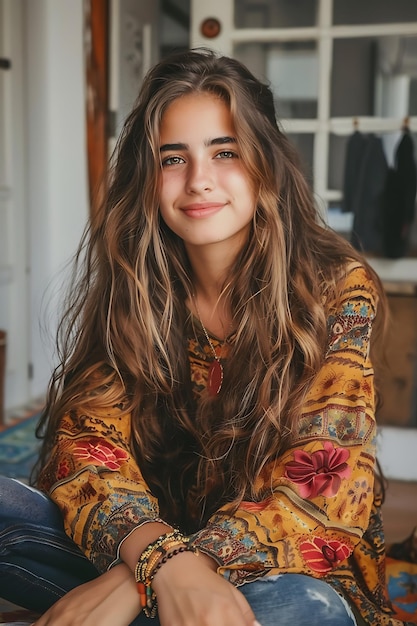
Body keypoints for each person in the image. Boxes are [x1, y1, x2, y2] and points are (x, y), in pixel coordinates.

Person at [0, 48, 410, 626]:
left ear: (265, 161)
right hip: (146, 546)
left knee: (304, 609)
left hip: (286, 572)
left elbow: (321, 489)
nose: (198, 181)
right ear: (149, 174)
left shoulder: (334, 287)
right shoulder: (138, 284)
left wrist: (146, 575)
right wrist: (160, 563)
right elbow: (87, 444)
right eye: (174, 158)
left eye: (225, 151)